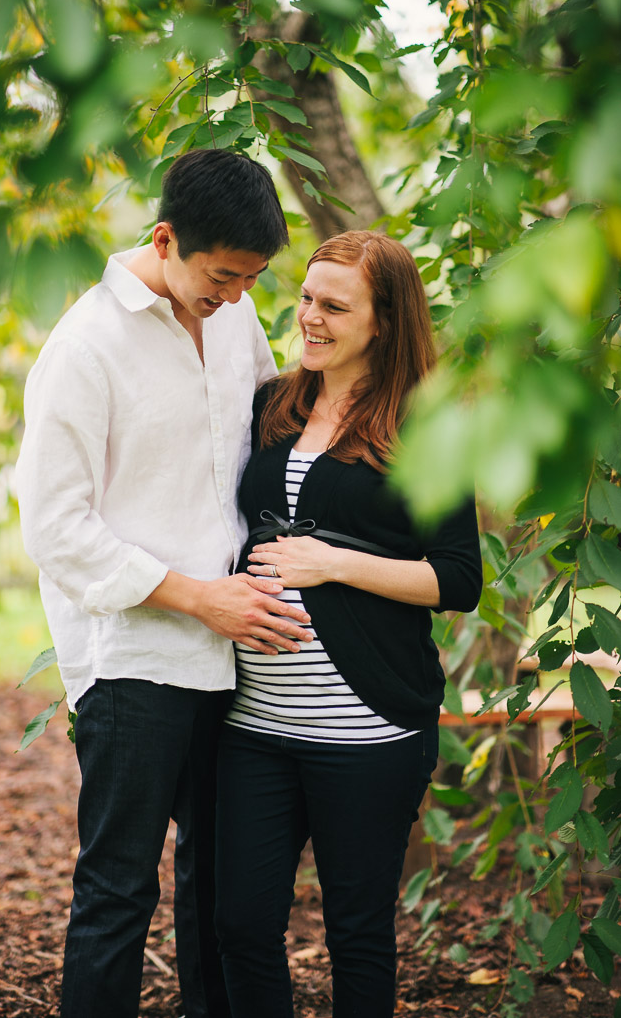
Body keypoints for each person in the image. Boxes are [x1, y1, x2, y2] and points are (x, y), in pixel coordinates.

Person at [15, 149, 314, 1018]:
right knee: (118, 893)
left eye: (253, 279)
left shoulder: (235, 316)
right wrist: (197, 595)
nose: (235, 296)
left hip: (235, 655)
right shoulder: (83, 349)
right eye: (223, 276)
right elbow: (56, 529)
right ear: (164, 238)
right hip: (134, 660)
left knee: (221, 888)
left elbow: (268, 441)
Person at [214, 230, 483, 1018]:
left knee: (357, 933)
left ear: (386, 322)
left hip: (369, 734)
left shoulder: (429, 428)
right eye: (305, 297)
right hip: (255, 724)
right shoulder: (275, 403)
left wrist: (334, 564)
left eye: (335, 306)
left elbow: (458, 579)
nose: (310, 318)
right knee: (239, 925)